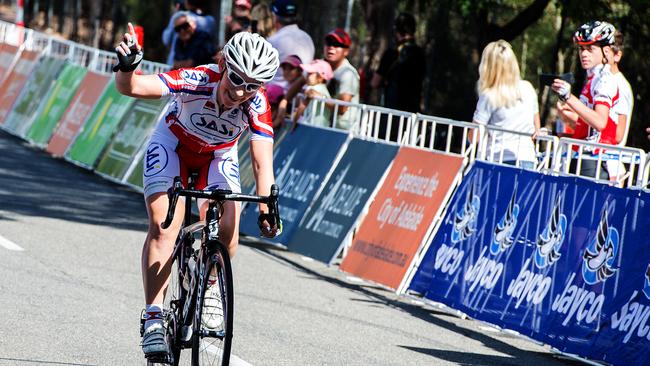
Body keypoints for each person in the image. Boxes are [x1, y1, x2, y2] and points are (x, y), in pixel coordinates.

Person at [113, 24, 281, 359]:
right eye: (236, 79)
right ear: (223, 67)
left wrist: (266, 206)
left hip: (218, 155)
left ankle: (208, 286)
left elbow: (263, 163)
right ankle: (154, 317)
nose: (240, 91)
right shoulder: (197, 80)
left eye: (252, 85)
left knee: (230, 223)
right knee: (164, 227)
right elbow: (132, 87)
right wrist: (128, 66)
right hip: (173, 145)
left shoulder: (256, 103)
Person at [553, 21, 618, 180]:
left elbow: (600, 122)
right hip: (583, 155)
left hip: (595, 159)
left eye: (590, 49)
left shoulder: (604, 80)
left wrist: (568, 97)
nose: (584, 53)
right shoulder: (593, 78)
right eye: (581, 48)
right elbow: (588, 125)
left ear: (606, 51)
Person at [472, 40, 540, 169]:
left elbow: (475, 136)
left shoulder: (489, 95)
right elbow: (536, 127)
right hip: (528, 159)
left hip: (499, 160)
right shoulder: (528, 88)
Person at [371, 13, 425, 113]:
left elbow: (375, 82)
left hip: (392, 113)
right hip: (412, 114)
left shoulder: (392, 53)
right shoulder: (420, 53)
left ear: (396, 31)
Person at [266, 0, 314, 91]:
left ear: (274, 17)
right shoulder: (308, 38)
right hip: (299, 96)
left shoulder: (272, 41)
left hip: (273, 97)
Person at [323, 28, 360, 130]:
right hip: (325, 127)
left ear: (346, 51)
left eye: (336, 44)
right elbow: (301, 81)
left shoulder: (348, 74)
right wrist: (285, 101)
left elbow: (342, 108)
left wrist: (318, 97)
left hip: (343, 131)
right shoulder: (321, 65)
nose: (331, 47)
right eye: (328, 43)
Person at [162, 0, 216, 66]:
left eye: (185, 26)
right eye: (177, 29)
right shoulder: (210, 20)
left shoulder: (179, 16)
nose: (182, 31)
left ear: (194, 25)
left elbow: (190, 64)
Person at [293, 59, 333, 127]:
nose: (307, 76)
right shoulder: (323, 89)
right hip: (323, 126)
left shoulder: (312, 88)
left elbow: (302, 106)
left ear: (321, 77)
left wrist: (294, 122)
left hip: (312, 126)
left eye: (310, 73)